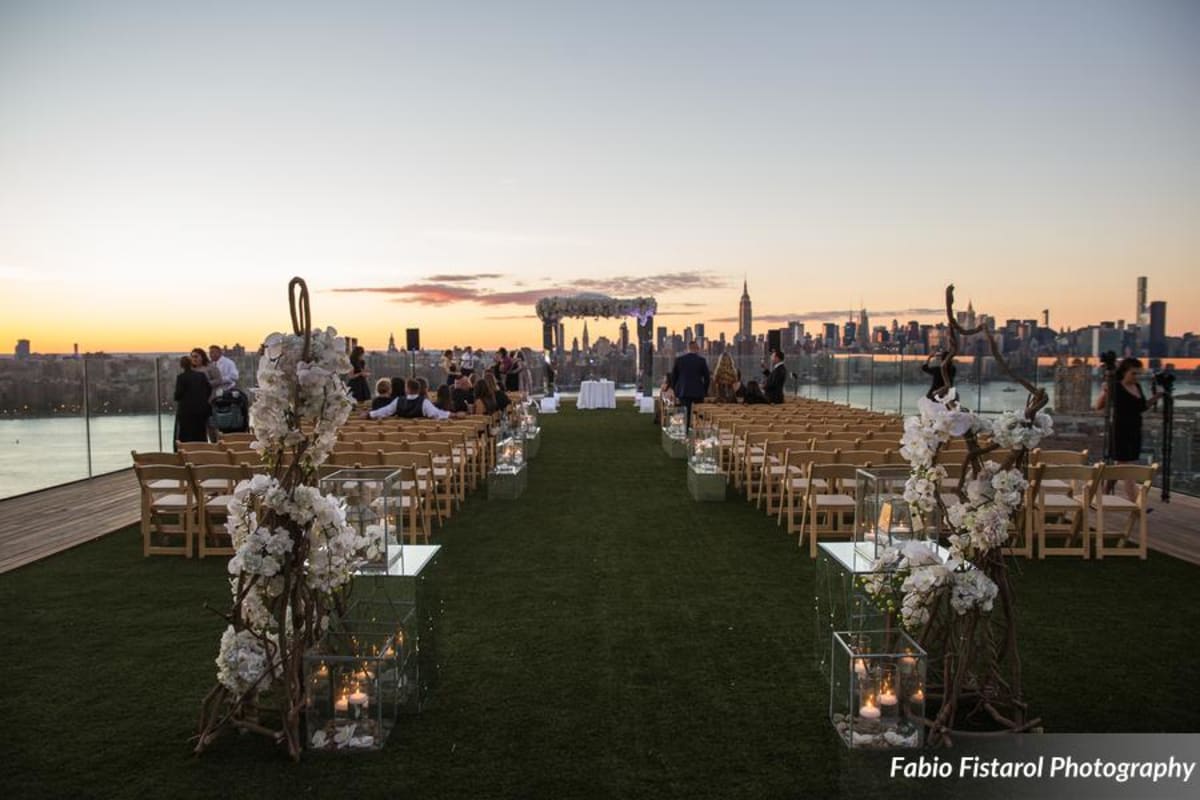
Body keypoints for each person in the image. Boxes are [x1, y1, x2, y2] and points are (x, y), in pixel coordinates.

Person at [1096, 357, 1162, 500]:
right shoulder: (1116, 387)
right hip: (1120, 431)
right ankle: (1136, 503)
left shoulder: (1136, 387)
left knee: (1121, 466)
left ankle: (1103, 495)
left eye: (1138, 373)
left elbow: (1141, 407)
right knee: (1127, 468)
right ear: (1125, 372)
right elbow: (1099, 406)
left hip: (1135, 430)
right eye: (1133, 373)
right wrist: (1106, 391)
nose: (1136, 376)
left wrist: (1157, 397)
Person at [366, 378, 461, 420]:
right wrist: (455, 415)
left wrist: (369, 415)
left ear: (407, 389)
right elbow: (437, 413)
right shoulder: (424, 402)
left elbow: (385, 411)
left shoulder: (398, 401)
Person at [669, 340, 710, 429]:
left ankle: (685, 433)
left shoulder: (679, 360)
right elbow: (707, 378)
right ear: (697, 349)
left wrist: (675, 390)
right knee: (699, 415)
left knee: (685, 414)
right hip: (698, 392)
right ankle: (698, 433)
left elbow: (674, 377)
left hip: (684, 392)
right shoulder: (701, 361)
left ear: (688, 348)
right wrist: (705, 391)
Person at [174, 355, 212, 446]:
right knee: (201, 434)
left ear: (182, 366)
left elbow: (178, 394)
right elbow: (209, 389)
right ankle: (201, 453)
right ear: (191, 364)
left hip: (186, 411)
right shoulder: (201, 375)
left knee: (186, 435)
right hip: (201, 409)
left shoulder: (181, 377)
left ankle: (188, 454)